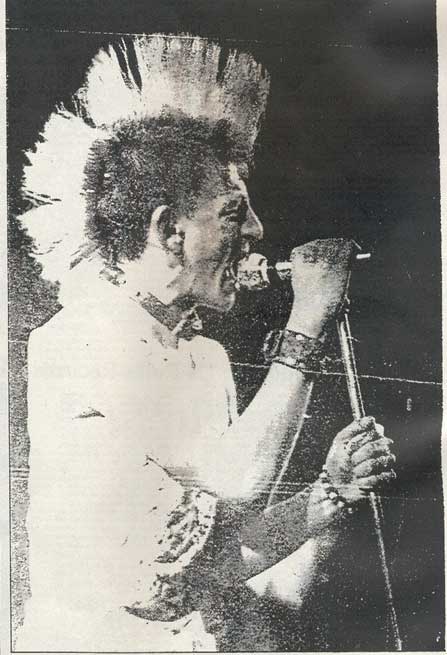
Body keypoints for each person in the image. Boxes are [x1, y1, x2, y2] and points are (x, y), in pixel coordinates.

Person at [16, 35, 396, 651]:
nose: (257, 231)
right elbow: (236, 478)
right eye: (233, 213)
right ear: (170, 229)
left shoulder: (204, 356)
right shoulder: (84, 336)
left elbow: (217, 562)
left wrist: (330, 495)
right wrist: (308, 318)